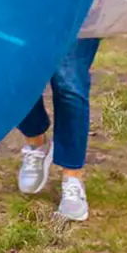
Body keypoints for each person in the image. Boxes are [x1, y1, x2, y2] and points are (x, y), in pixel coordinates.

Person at [15, 38, 102, 222]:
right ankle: (36, 141)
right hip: (20, 9)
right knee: (13, 74)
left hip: (77, 11)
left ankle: (72, 177)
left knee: (69, 80)